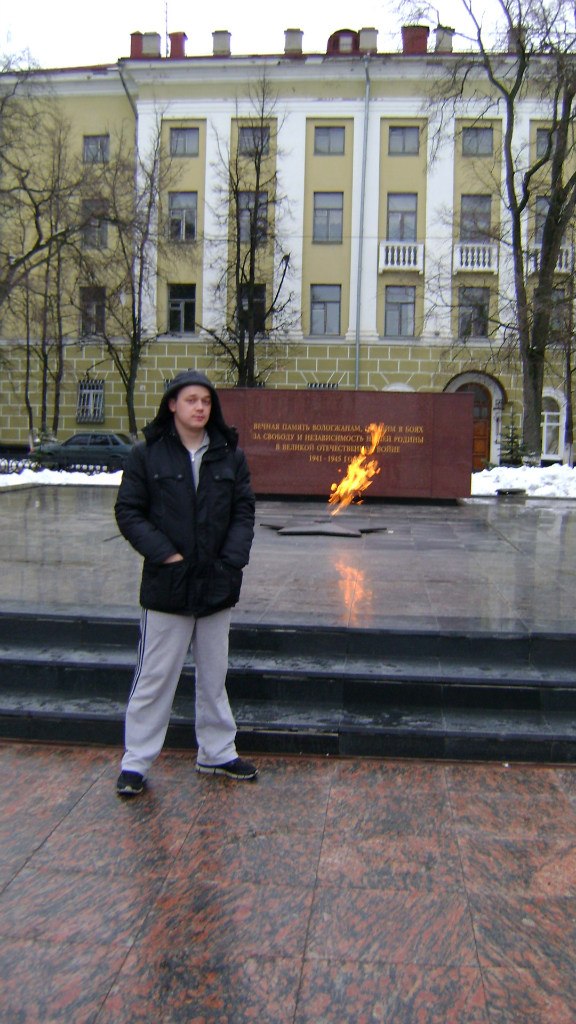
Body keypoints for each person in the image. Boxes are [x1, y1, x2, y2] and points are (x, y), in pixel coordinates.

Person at [114, 369, 257, 796]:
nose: (200, 408)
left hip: (216, 585)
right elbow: (129, 512)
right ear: (173, 404)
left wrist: (231, 562)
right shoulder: (147, 454)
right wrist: (167, 555)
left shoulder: (229, 456)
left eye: (206, 401)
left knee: (214, 677)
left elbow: (243, 512)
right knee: (155, 677)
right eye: (191, 400)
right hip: (168, 585)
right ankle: (136, 762)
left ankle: (217, 752)